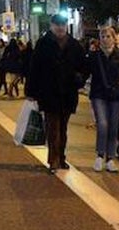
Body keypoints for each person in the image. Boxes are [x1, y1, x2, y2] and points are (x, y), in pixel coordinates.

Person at [24, 13, 88, 172]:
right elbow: (34, 68)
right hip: (48, 91)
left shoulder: (74, 45)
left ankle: (62, 157)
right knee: (53, 127)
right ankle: (54, 160)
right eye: (57, 25)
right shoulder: (43, 43)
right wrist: (31, 91)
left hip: (68, 92)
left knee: (63, 128)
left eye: (63, 25)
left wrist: (79, 78)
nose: (60, 28)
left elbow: (84, 66)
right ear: (52, 26)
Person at [88, 26, 119, 172]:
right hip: (98, 94)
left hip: (116, 96)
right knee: (103, 124)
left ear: (114, 38)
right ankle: (100, 156)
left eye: (108, 36)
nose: (105, 39)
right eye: (103, 37)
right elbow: (85, 72)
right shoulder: (94, 56)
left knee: (114, 125)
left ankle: (110, 158)